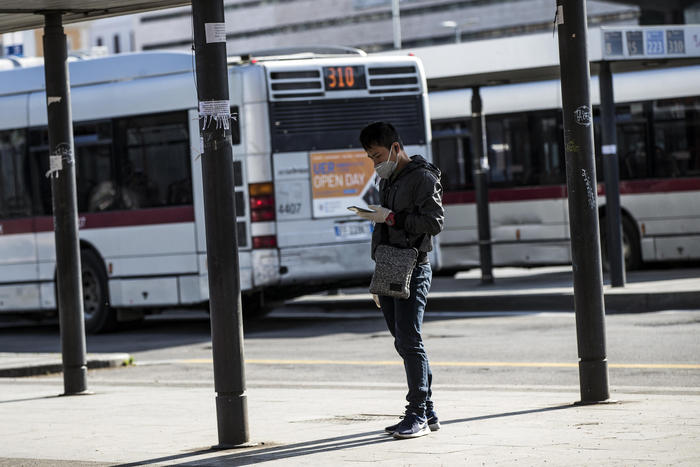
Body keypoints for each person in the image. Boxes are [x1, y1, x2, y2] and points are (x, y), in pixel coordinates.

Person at [354, 121, 444, 439]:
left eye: (378, 155)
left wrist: (391, 217)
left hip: (414, 265)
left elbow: (434, 222)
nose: (376, 163)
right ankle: (428, 410)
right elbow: (383, 228)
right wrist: (376, 272)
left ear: (395, 148)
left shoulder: (423, 177)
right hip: (389, 265)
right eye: (370, 158)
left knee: (409, 339)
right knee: (401, 340)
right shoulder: (388, 180)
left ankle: (417, 412)